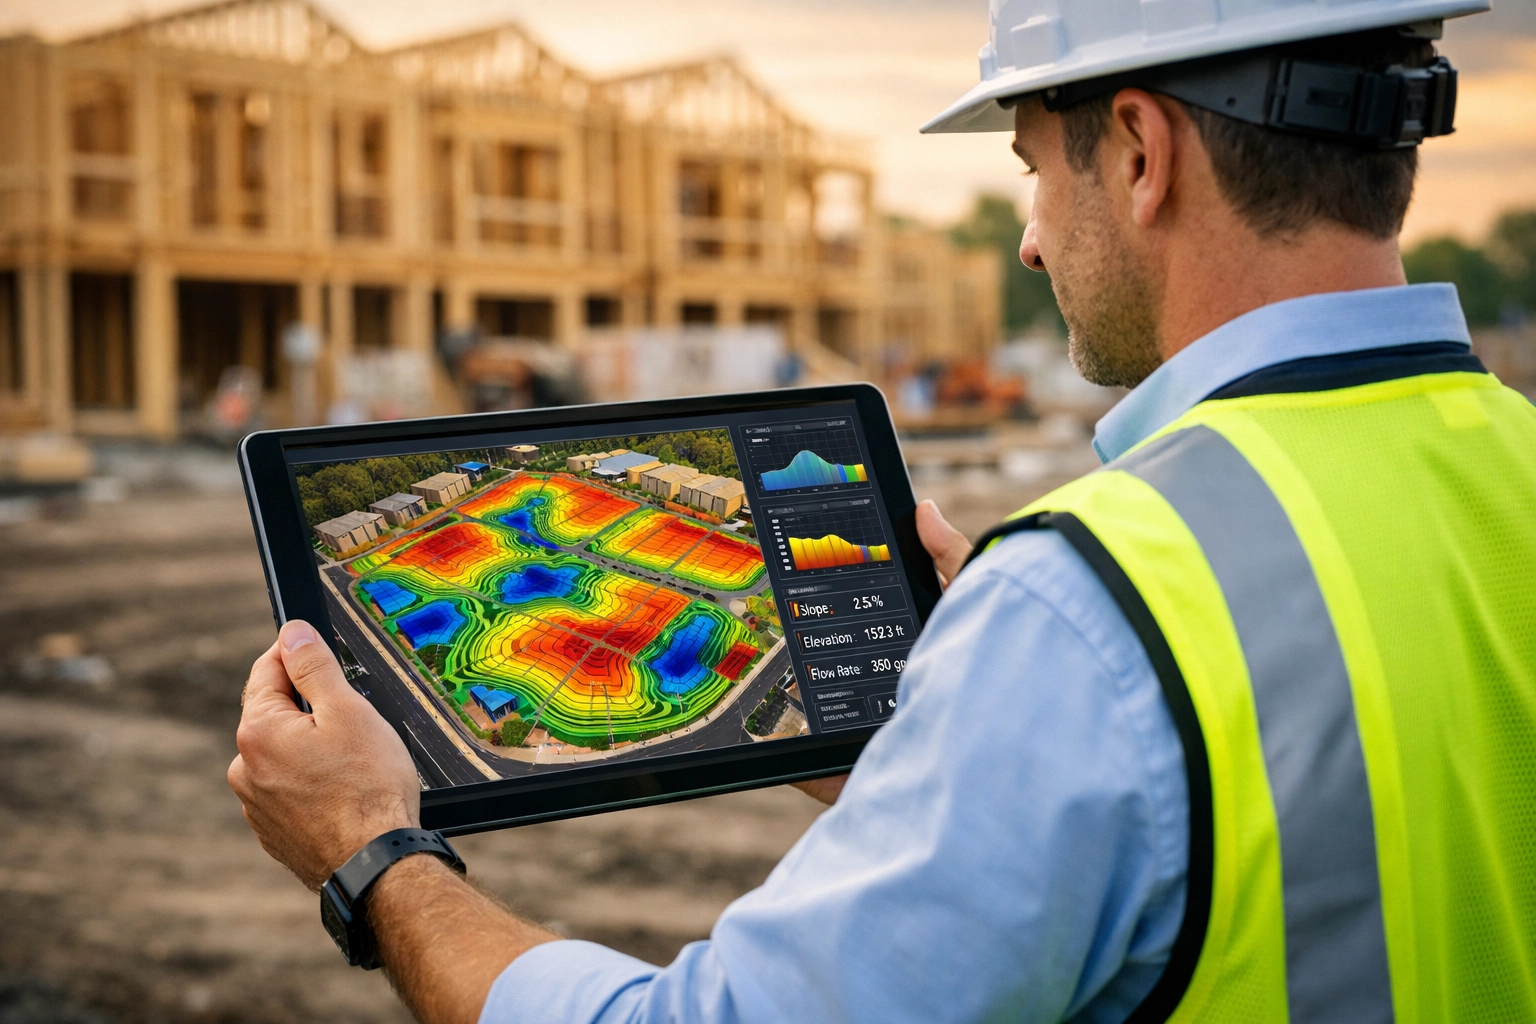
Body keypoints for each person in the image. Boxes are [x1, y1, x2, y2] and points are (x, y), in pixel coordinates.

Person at [229, 0, 1536, 1019]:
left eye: (1035, 167)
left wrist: (369, 854)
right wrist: (968, 748)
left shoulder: (1092, 610)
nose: (1030, 239)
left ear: (1140, 152)